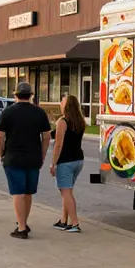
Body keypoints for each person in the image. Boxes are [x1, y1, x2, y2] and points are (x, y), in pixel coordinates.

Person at [0, 82, 51, 240]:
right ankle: (24, 222)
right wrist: (42, 154)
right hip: (33, 157)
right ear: (31, 95)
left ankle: (21, 227)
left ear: (15, 95)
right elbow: (46, 136)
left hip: (13, 157)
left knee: (18, 193)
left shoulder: (8, 112)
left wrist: (1, 154)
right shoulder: (39, 112)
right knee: (28, 192)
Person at [49, 94, 85, 233]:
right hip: (78, 160)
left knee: (66, 192)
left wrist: (53, 163)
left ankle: (74, 223)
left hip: (65, 161)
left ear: (67, 105)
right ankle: (63, 220)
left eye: (62, 101)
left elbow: (58, 145)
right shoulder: (80, 121)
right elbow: (55, 135)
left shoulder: (63, 121)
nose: (60, 103)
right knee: (67, 191)